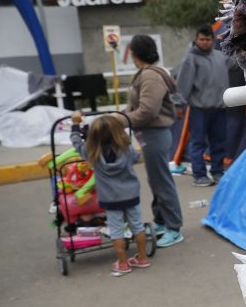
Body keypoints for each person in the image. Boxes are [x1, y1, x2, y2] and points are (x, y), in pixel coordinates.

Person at [69, 112, 150, 276]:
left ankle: (122, 263)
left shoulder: (91, 152)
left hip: (110, 199)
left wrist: (75, 124)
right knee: (137, 226)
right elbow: (137, 156)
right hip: (131, 195)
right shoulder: (126, 149)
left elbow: (76, 142)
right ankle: (142, 258)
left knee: (116, 230)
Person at [124, 35, 185, 248]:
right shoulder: (147, 74)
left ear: (134, 54)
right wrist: (121, 116)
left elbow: (147, 110)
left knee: (161, 180)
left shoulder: (150, 76)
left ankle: (174, 228)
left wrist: (122, 119)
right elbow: (138, 108)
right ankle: (161, 220)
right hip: (149, 134)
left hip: (155, 133)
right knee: (156, 180)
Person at [175, 25, 231, 186]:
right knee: (198, 143)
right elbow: (183, 84)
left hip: (219, 109)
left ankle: (217, 171)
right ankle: (199, 175)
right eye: (202, 39)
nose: (205, 42)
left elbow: (236, 64)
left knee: (218, 143)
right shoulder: (190, 59)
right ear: (196, 40)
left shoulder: (221, 57)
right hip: (199, 110)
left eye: (208, 39)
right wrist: (179, 105)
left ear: (213, 41)